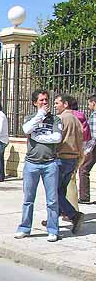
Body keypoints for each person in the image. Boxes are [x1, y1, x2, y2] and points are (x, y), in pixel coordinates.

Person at [15, 90, 62, 242]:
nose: (45, 102)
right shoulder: (30, 118)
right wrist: (40, 115)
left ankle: (53, 229)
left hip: (50, 163)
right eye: (41, 100)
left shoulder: (55, 119)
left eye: (46, 100)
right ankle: (24, 228)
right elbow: (27, 130)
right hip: (31, 164)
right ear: (35, 103)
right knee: (28, 198)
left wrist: (37, 137)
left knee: (52, 200)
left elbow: (57, 138)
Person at [54, 94, 84, 233]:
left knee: (54, 191)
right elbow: (81, 140)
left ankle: (73, 214)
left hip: (61, 158)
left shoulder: (60, 119)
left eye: (57, 103)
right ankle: (53, 217)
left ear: (65, 104)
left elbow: (56, 139)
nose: (55, 105)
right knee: (62, 190)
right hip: (73, 158)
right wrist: (79, 158)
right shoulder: (77, 120)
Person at [78, 94, 96, 204]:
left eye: (89, 103)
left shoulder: (94, 116)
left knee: (83, 169)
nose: (88, 105)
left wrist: (87, 150)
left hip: (93, 147)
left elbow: (94, 136)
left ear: (93, 103)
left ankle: (84, 197)